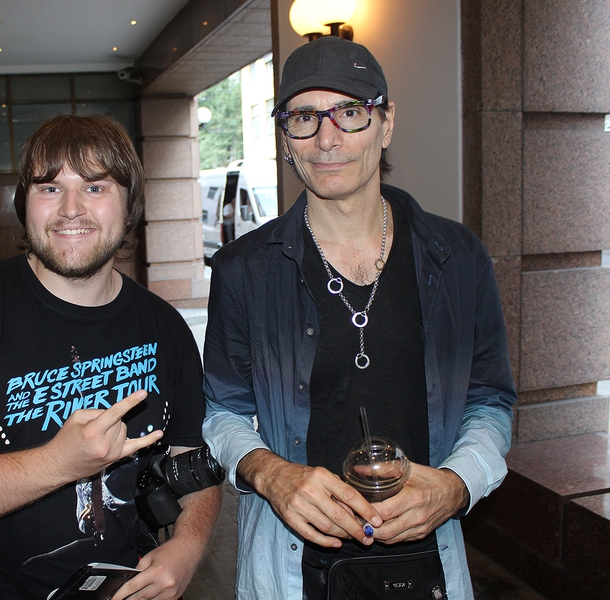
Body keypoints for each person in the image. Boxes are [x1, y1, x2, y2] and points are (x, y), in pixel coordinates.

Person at [202, 36, 516, 600]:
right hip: (291, 569)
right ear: (284, 135)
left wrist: (456, 484)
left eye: (350, 112)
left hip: (429, 562)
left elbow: (489, 401)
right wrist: (271, 475)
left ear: (385, 122)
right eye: (304, 117)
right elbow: (223, 411)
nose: (327, 139)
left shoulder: (459, 256)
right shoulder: (243, 269)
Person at [0, 113, 221, 600]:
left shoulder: (164, 327)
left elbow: (193, 461)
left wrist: (188, 547)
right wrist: (57, 464)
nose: (71, 209)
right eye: (49, 188)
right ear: (25, 206)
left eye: (96, 187)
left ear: (130, 208)